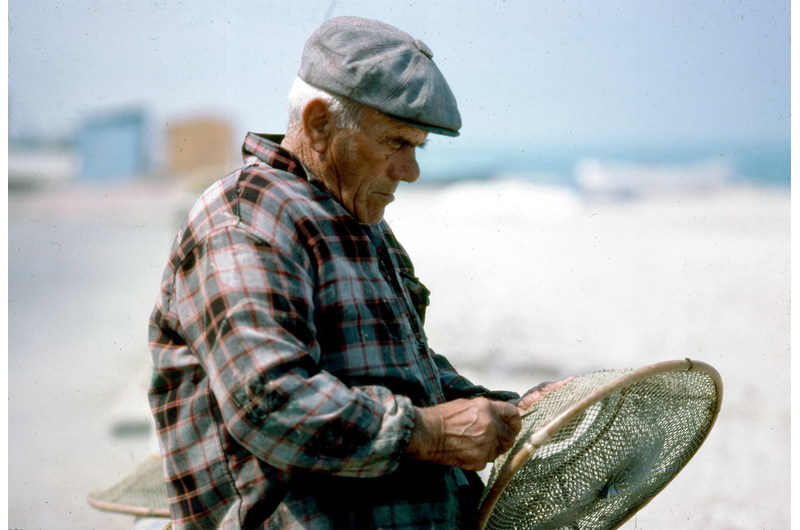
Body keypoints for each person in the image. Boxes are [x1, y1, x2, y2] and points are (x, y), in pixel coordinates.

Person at [148, 16, 566, 530]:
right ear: (321, 123)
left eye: (418, 146)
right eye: (396, 142)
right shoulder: (246, 218)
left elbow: (406, 370)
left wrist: (502, 410)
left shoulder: (355, 217)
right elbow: (269, 402)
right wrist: (431, 434)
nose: (411, 170)